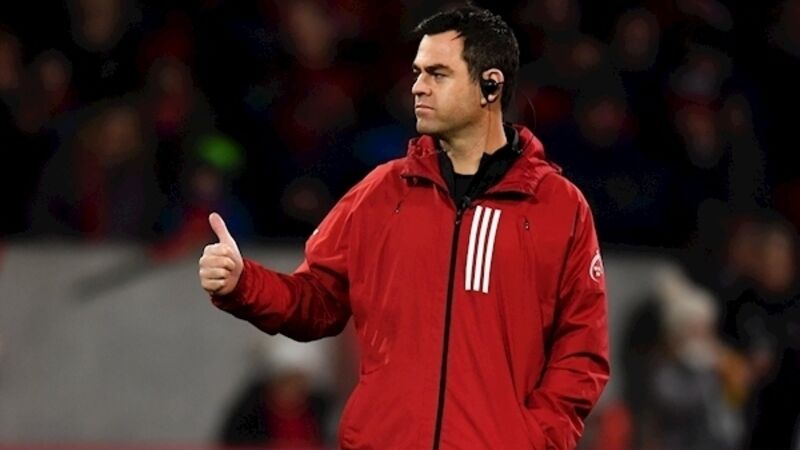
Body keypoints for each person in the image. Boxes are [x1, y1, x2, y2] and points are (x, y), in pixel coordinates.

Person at [198, 5, 610, 449]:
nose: (418, 86)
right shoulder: (380, 194)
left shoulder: (558, 207)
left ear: (490, 85)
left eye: (438, 74)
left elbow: (581, 351)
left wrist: (533, 439)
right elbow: (316, 301)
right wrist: (244, 283)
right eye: (417, 72)